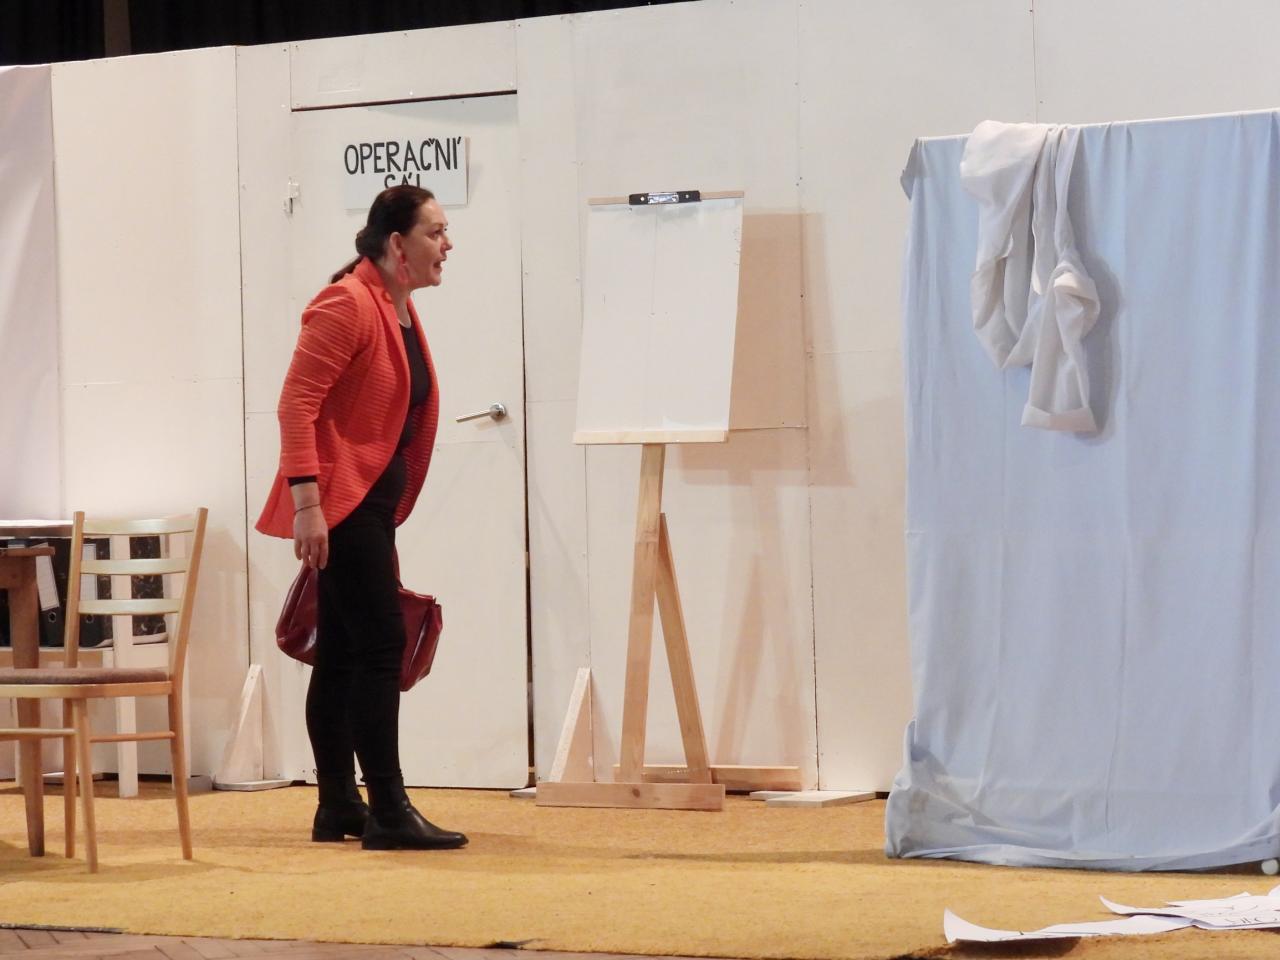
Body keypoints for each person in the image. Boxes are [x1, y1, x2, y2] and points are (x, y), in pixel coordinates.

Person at [256, 185, 466, 850]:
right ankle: (389, 810)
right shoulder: (346, 302)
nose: (447, 245)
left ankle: (339, 806)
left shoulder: (395, 304)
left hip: (369, 503)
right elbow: (296, 405)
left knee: (344, 653)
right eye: (435, 232)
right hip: (341, 504)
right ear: (396, 243)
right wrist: (308, 505)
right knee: (379, 646)